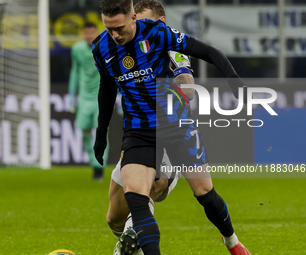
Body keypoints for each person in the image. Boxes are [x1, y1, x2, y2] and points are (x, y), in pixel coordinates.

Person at [92, 0, 250, 254]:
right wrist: (101, 134)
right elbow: (107, 88)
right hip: (139, 130)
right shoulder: (101, 47)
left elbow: (209, 52)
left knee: (205, 194)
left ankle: (231, 241)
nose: (115, 35)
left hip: (176, 127)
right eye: (109, 29)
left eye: (119, 28)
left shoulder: (157, 33)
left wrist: (234, 81)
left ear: (133, 18)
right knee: (136, 197)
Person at [68, 22, 108, 180]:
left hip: (101, 97)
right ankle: (94, 162)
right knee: (84, 131)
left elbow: (112, 71)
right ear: (83, 34)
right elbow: (75, 71)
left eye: (92, 33)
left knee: (101, 131)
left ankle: (100, 167)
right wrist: (72, 95)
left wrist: (118, 95)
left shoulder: (104, 47)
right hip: (84, 98)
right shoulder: (77, 50)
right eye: (86, 33)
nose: (89, 36)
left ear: (96, 33)